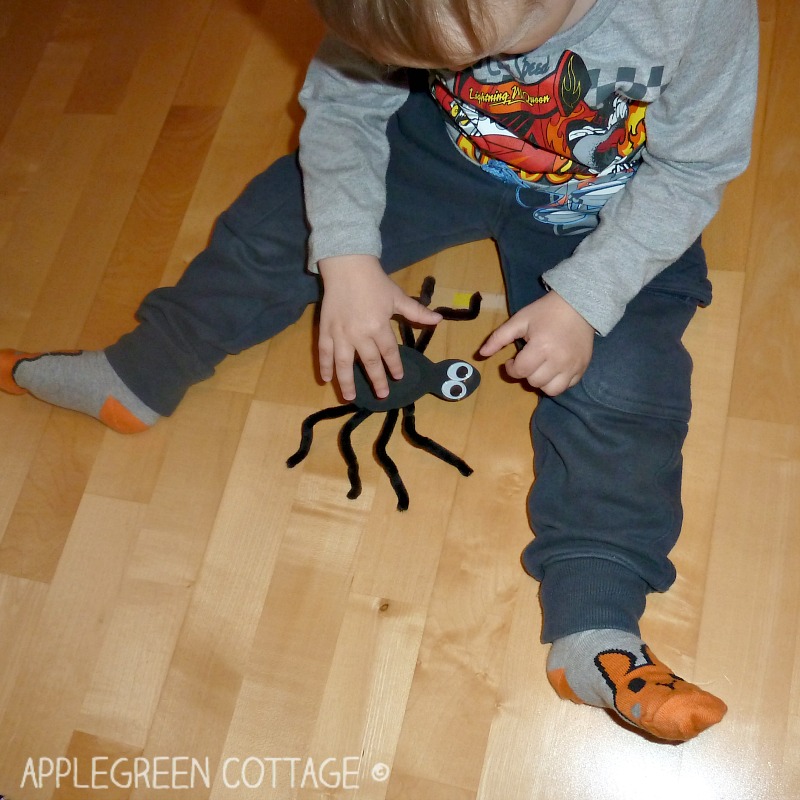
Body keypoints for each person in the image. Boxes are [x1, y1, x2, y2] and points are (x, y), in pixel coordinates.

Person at [0, 0, 758, 740]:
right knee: (282, 221)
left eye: (477, 50)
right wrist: (347, 258)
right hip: (436, 148)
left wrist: (587, 300)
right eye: (443, 61)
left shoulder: (695, 11)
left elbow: (694, 168)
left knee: (627, 385)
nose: (476, 70)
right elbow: (343, 108)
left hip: (617, 203)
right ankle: (141, 371)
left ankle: (598, 627)